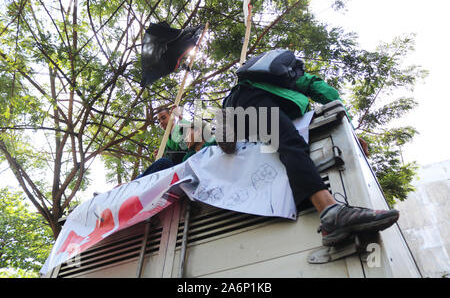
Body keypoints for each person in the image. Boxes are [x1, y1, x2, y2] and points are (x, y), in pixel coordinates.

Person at [220, 68, 399, 247]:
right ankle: (331, 214)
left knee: (275, 142)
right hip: (250, 100)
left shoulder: (257, 83)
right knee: (290, 142)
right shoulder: (291, 74)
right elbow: (326, 93)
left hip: (233, 108)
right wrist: (349, 129)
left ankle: (227, 130)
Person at [136, 119, 216, 179]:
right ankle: (135, 184)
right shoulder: (187, 158)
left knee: (164, 162)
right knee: (165, 163)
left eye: (187, 133)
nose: (185, 138)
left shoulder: (213, 143)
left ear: (198, 131)